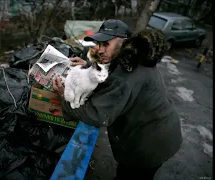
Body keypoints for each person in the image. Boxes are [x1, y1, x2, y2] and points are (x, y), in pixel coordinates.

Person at [52, 19, 183, 180]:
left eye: (106, 44)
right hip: (159, 130)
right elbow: (109, 76)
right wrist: (87, 68)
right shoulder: (132, 57)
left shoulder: (127, 74)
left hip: (149, 142)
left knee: (130, 175)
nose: (99, 50)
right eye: (99, 44)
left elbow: (97, 114)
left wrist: (64, 96)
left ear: (123, 42)